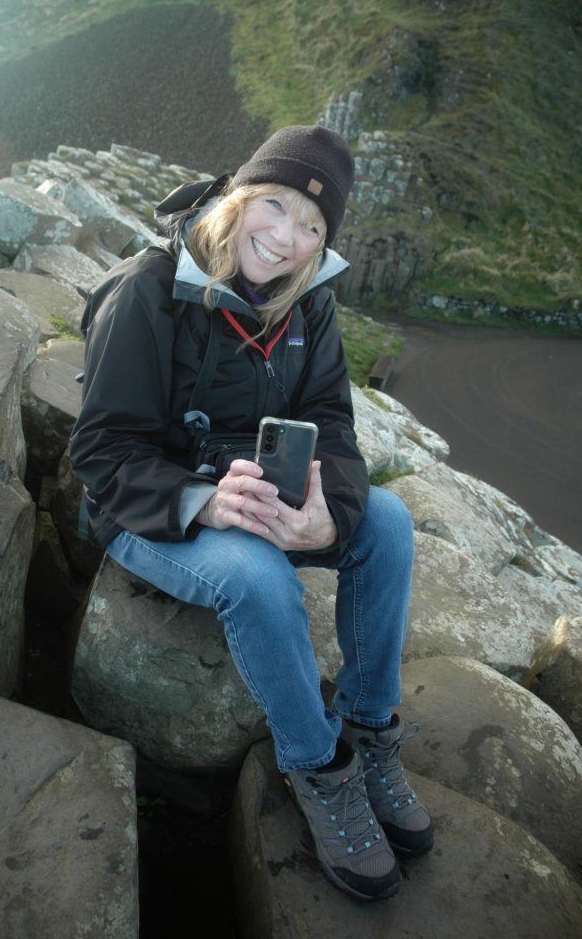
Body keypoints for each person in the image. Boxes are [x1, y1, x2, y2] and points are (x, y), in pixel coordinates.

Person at [69, 125, 433, 901]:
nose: (287, 238)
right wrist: (201, 502)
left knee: (389, 525)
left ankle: (368, 732)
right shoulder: (147, 289)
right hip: (149, 508)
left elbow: (332, 424)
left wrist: (329, 513)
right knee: (260, 578)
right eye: (275, 205)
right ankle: (318, 768)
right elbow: (99, 452)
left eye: (312, 226)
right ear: (240, 197)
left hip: (258, 494)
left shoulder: (311, 304)